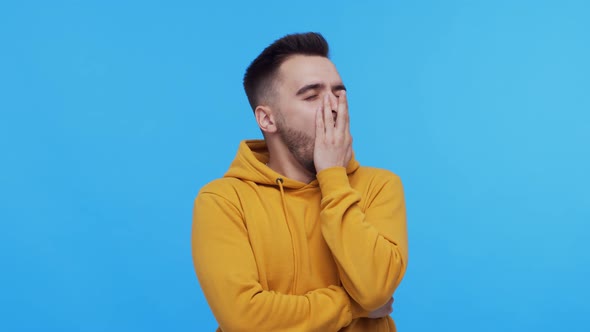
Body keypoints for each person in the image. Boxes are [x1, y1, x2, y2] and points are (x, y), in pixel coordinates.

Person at [192, 32, 408, 331]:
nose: (333, 107)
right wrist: (353, 306)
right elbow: (245, 319)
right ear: (267, 119)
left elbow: (375, 290)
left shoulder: (379, 186)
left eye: (339, 93)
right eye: (311, 95)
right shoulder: (224, 200)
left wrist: (333, 176)